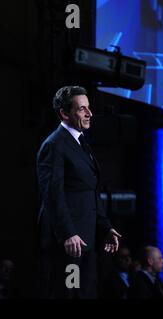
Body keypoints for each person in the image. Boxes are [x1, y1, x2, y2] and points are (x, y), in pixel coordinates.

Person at [36, 86, 121, 299]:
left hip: (86, 240)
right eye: (82, 109)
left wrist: (106, 227)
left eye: (89, 108)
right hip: (69, 245)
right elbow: (52, 195)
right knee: (69, 294)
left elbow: (90, 191)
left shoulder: (81, 141)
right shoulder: (55, 145)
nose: (89, 113)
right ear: (65, 113)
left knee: (85, 294)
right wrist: (68, 234)